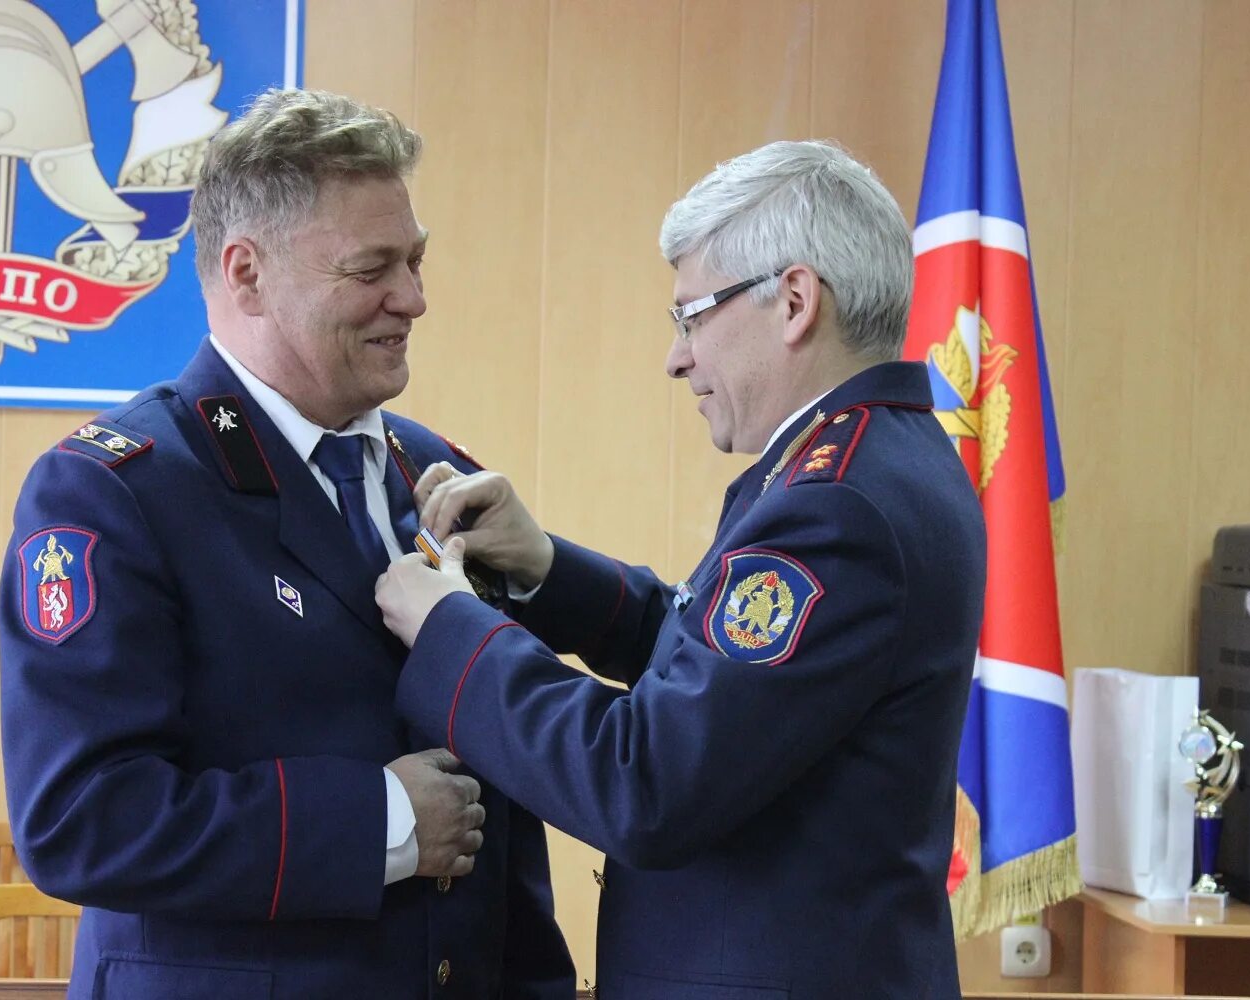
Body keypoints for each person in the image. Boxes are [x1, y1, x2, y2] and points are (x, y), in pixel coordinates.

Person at [376, 140, 987, 1000]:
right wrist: (546, 570)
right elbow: (722, 666)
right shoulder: (882, 455)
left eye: (692, 316)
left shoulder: (834, 504)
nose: (677, 357)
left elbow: (645, 782)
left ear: (796, 302)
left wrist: (448, 629)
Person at [0, 88, 573, 1000]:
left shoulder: (433, 472)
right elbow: (81, 820)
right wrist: (379, 821)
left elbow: (488, 787)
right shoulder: (116, 491)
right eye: (372, 267)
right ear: (247, 273)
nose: (415, 298)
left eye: (417, 260)